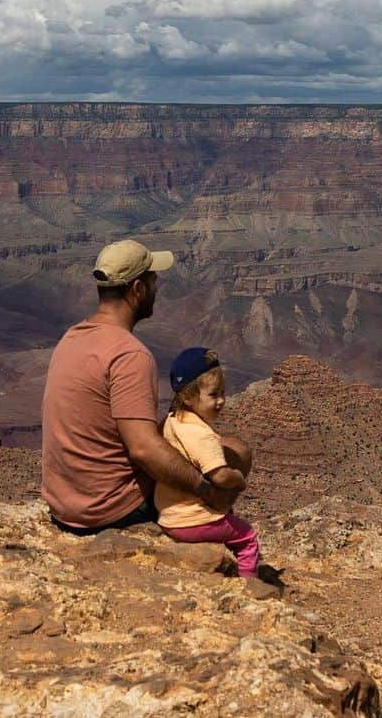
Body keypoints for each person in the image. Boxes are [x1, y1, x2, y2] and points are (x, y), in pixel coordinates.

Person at [41, 238, 233, 534]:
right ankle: (213, 531)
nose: (157, 290)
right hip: (110, 511)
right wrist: (204, 488)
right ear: (137, 290)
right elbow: (144, 449)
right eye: (153, 281)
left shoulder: (72, 337)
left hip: (64, 507)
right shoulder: (130, 355)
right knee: (232, 453)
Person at [154, 346, 261, 577]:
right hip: (192, 520)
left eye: (222, 392)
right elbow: (220, 476)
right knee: (248, 538)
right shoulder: (202, 435)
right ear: (188, 397)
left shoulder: (173, 420)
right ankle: (250, 584)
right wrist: (239, 479)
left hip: (168, 514)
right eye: (213, 394)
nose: (221, 401)